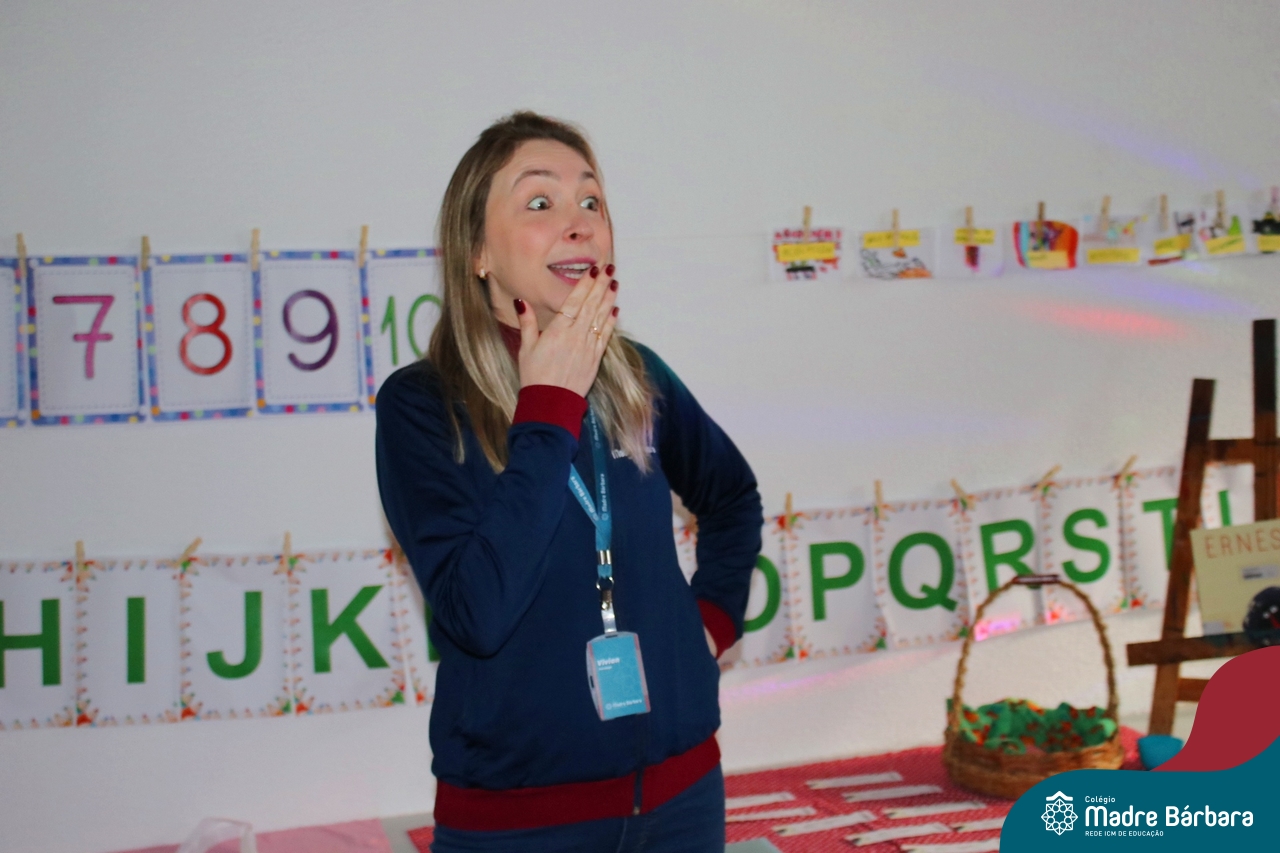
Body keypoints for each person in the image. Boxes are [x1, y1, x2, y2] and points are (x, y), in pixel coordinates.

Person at [376, 111, 762, 852]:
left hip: (683, 798)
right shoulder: (421, 405)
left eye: (591, 200)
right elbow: (476, 614)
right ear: (478, 251)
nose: (579, 222)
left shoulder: (638, 376)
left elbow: (732, 498)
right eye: (540, 201)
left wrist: (708, 624)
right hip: (519, 823)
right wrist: (547, 409)